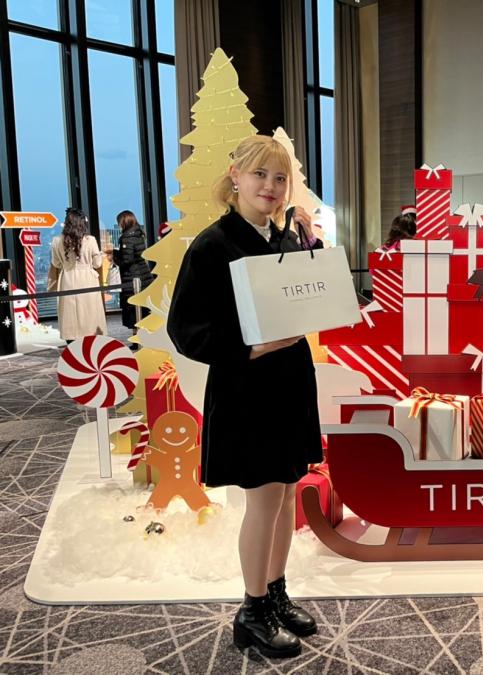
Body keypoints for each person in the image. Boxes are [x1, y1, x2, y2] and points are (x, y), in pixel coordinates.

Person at [166, 135, 322, 659]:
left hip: (289, 382)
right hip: (247, 388)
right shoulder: (212, 246)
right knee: (263, 499)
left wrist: (313, 259)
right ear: (235, 176)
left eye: (280, 178)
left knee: (286, 493)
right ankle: (252, 612)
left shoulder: (283, 240)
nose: (270, 187)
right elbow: (187, 330)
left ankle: (275, 594)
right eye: (260, 175)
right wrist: (252, 347)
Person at [48, 207, 107, 342]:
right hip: (88, 279)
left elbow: (56, 264)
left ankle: (72, 342)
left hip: (67, 279)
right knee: (90, 313)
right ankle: (90, 342)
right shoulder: (90, 240)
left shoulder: (57, 241)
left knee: (69, 313)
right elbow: (97, 263)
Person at [110, 210, 154, 340]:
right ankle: (144, 338)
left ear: (123, 222)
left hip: (133, 278)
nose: (119, 225)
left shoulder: (127, 237)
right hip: (144, 276)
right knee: (142, 310)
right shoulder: (138, 234)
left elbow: (126, 260)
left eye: (119, 222)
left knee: (134, 310)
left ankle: (137, 339)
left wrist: (114, 256)